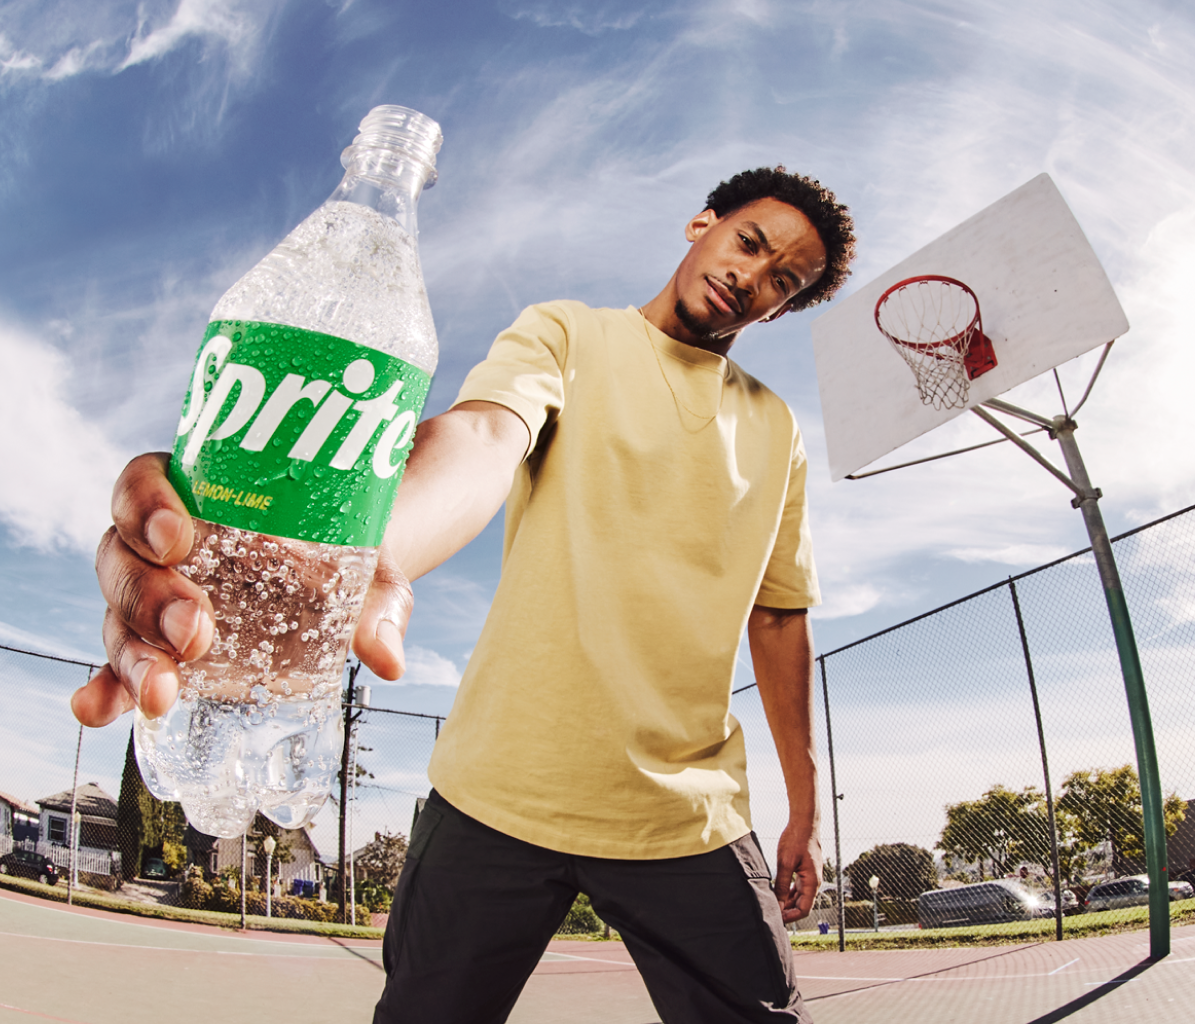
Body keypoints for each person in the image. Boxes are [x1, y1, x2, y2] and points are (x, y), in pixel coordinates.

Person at [76, 165, 856, 1023]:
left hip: (684, 815)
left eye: (783, 279)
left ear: (782, 308)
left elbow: (779, 614)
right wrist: (355, 562)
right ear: (701, 223)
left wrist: (805, 810)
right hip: (496, 794)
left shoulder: (776, 429)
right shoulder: (568, 333)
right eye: (748, 243)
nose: (753, 276)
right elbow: (485, 435)